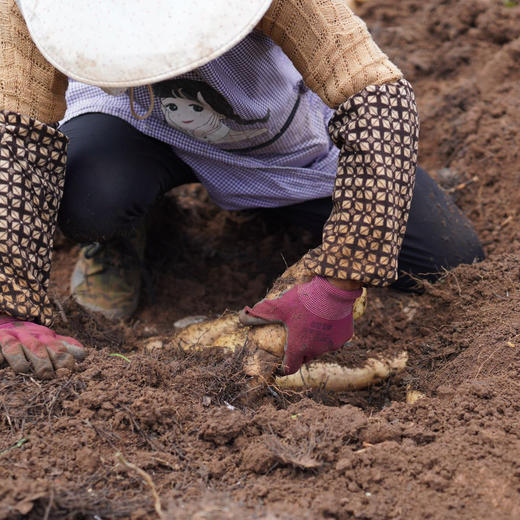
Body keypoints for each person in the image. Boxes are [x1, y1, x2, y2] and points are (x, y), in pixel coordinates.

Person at [0, 0, 484, 378]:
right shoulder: (40, 10)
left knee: (447, 256)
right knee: (87, 197)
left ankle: (282, 211)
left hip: (270, 136)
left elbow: (377, 97)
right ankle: (127, 232)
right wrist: (10, 303)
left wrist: (342, 276)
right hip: (136, 121)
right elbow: (16, 139)